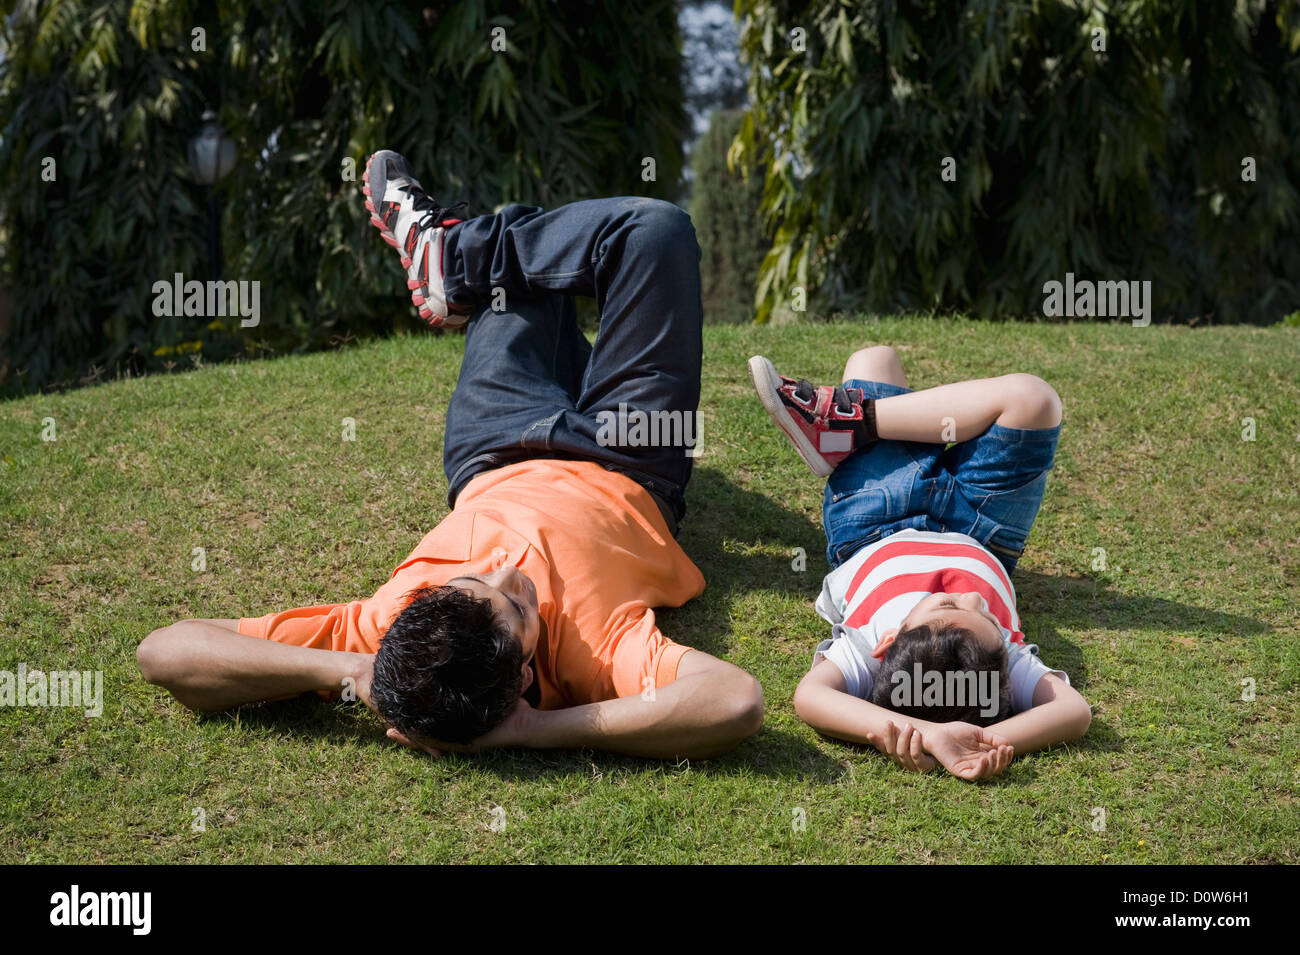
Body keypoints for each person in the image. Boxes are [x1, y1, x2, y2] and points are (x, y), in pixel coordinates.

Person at [136, 150, 763, 760]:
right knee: (652, 230)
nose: (503, 571)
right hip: (630, 459)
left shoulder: (392, 626)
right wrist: (531, 732)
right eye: (519, 609)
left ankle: (452, 256)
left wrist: (355, 670)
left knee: (518, 248)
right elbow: (733, 701)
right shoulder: (591, 654)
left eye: (470, 580)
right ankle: (456, 255)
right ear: (522, 680)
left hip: (496, 440)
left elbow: (163, 652)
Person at [748, 346, 1090, 780]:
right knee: (1034, 400)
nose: (969, 595)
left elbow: (811, 697)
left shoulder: (871, 650)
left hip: (874, 516)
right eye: (984, 615)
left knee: (875, 360)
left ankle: (846, 423)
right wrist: (978, 737)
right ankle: (850, 422)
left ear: (887, 642)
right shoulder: (997, 661)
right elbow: (1073, 711)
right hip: (984, 527)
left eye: (948, 607)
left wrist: (922, 732)